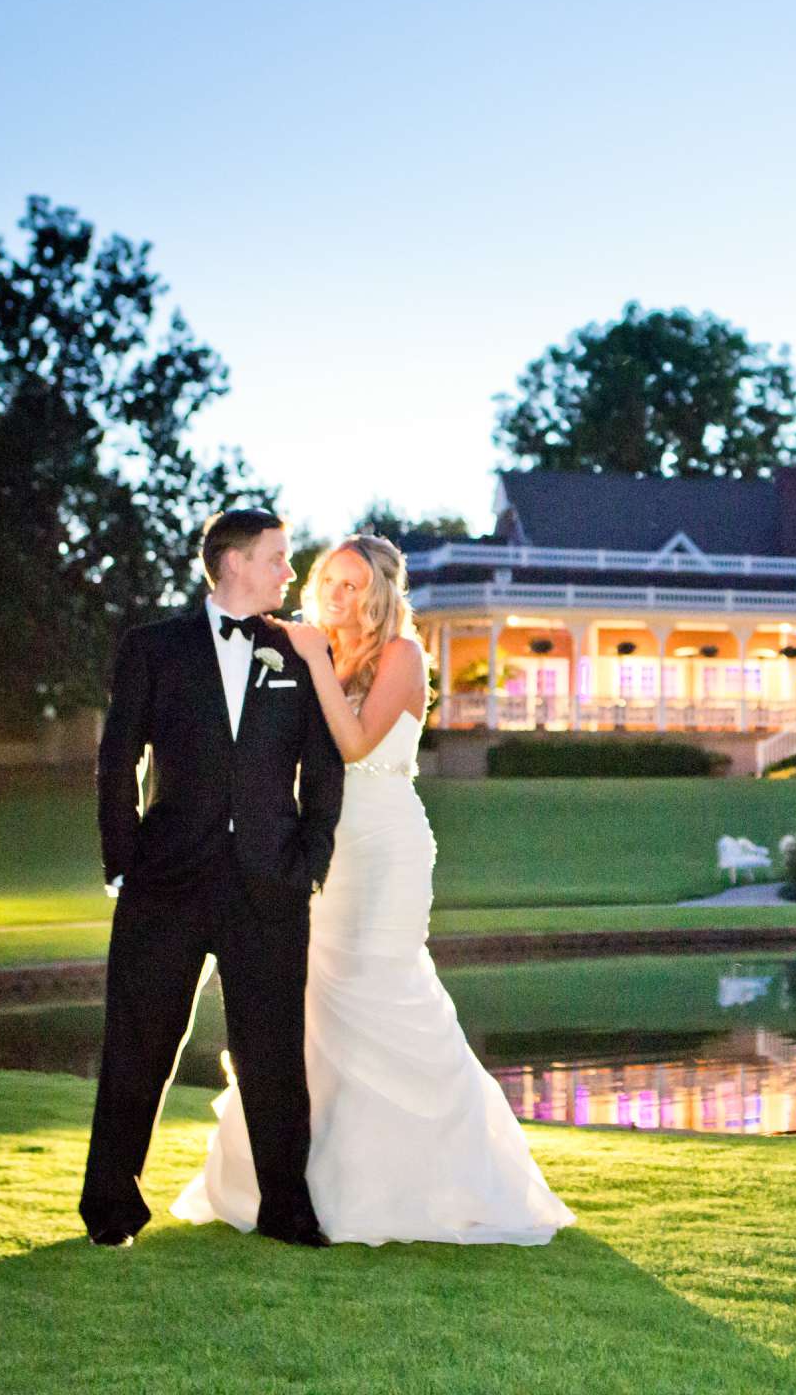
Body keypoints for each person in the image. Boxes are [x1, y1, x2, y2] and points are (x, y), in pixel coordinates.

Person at [172, 534, 575, 1247]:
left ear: (383, 593)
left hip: (385, 840)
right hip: (317, 843)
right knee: (309, 1004)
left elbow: (355, 742)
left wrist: (309, 658)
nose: (337, 594)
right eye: (330, 580)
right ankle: (301, 1185)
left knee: (381, 989)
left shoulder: (401, 656)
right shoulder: (317, 653)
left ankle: (429, 1186)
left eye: (354, 584)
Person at [81, 508, 343, 1249]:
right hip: (166, 880)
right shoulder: (152, 649)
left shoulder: (297, 653)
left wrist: (309, 862)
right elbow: (116, 759)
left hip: (270, 883)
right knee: (139, 1043)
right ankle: (110, 1208)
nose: (288, 574)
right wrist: (124, 861)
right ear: (231, 562)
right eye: (276, 558)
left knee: (273, 1051)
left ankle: (286, 1210)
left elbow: (325, 769)